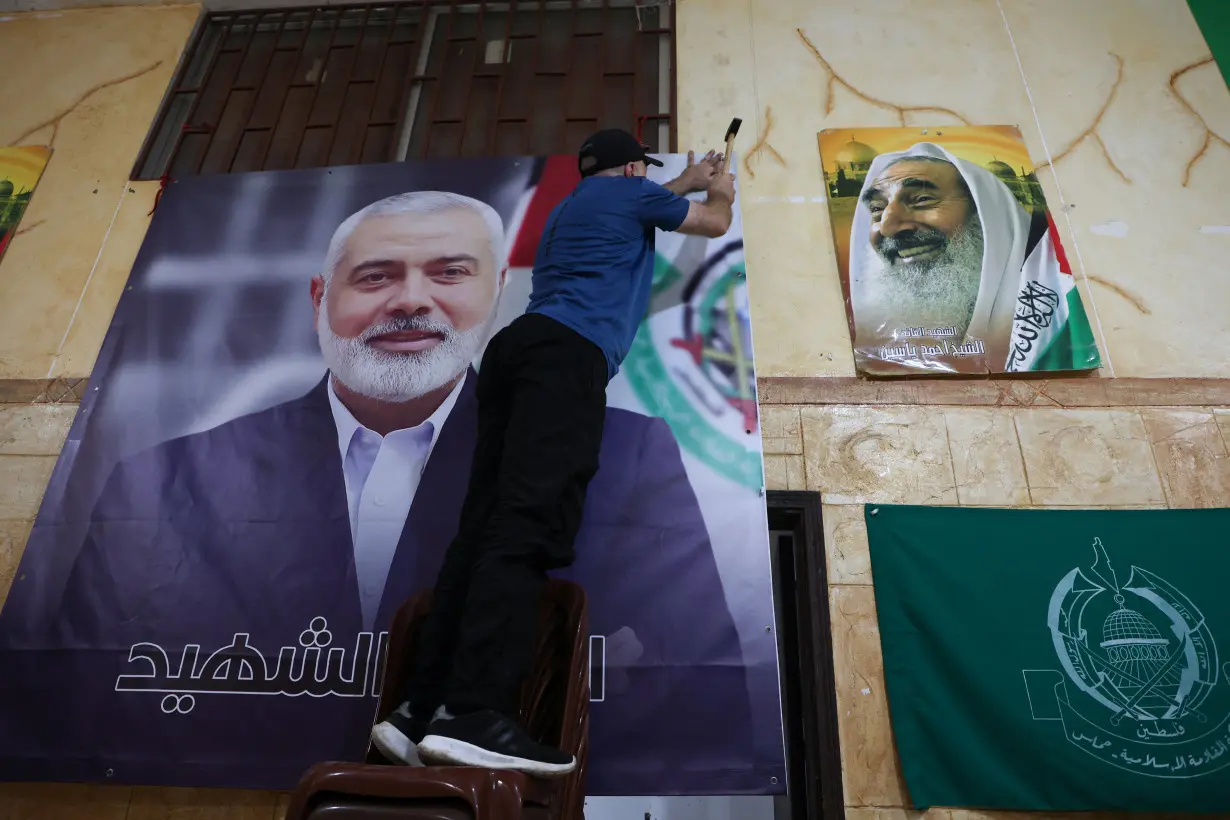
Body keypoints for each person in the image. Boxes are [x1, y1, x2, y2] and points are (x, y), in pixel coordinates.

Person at [0, 187, 752, 791]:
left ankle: (418, 708)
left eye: (449, 273)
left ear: (496, 293)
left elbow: (701, 692)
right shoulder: (160, 476)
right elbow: (72, 696)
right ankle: (444, 710)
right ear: (320, 298)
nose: (410, 301)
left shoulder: (633, 453)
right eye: (376, 275)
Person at [371, 129, 737, 776]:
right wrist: (722, 186)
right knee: (527, 528)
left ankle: (416, 713)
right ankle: (474, 713)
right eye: (641, 174)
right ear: (631, 169)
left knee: (483, 530)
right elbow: (710, 221)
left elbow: (660, 195)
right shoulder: (629, 198)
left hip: (517, 354)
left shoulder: (586, 202)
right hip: (566, 358)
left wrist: (688, 177)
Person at [849, 142, 1062, 372]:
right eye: (877, 208)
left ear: (988, 215)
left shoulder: (1061, 329)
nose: (887, 227)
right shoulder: (875, 350)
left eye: (922, 199)